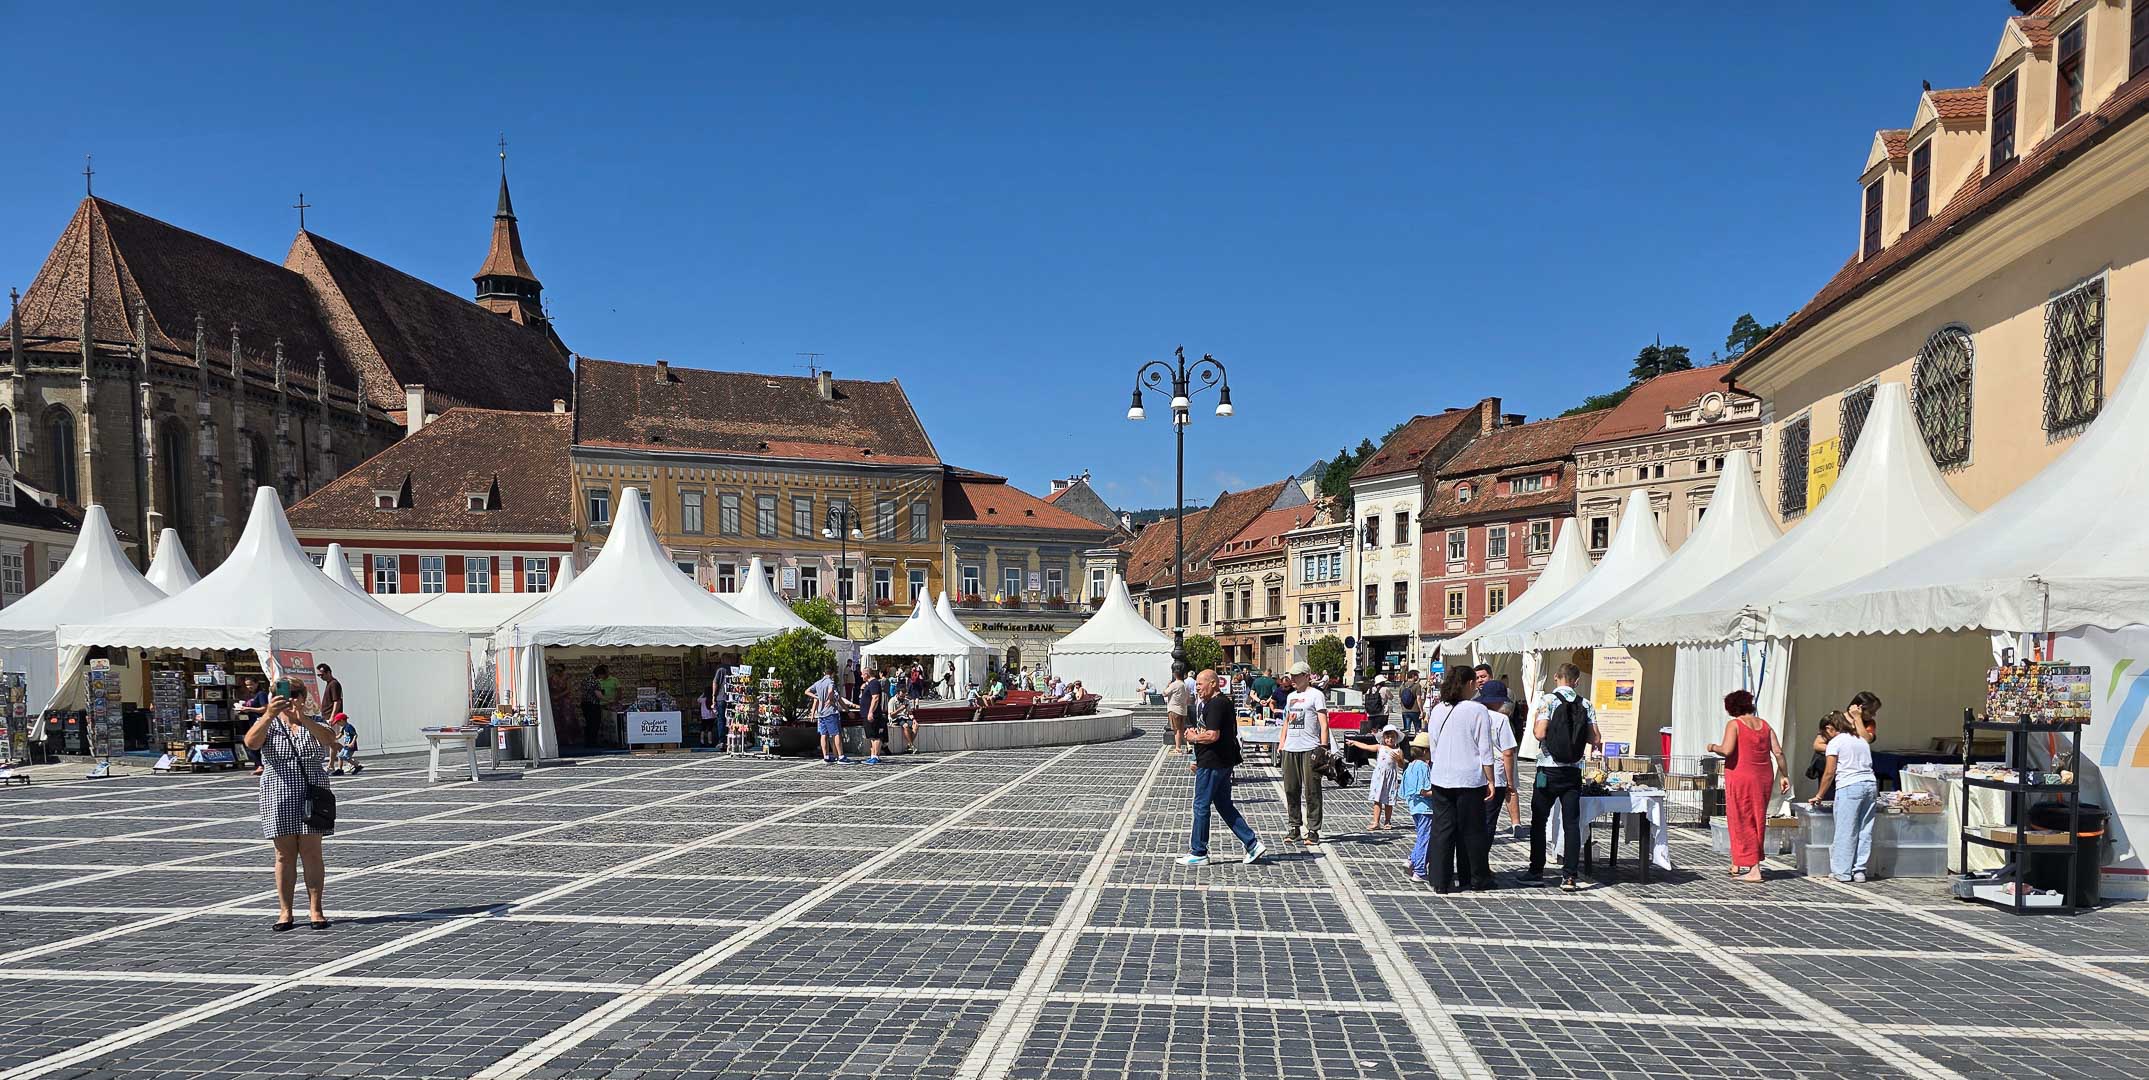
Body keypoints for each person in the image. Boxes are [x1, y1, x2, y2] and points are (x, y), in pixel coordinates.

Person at [242, 679, 339, 931]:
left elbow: (329, 739)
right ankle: (285, 911)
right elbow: (251, 743)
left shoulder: (314, 721)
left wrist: (302, 719)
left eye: (296, 694)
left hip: (312, 794)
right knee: (284, 855)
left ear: (304, 697)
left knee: (312, 852)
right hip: (278, 794)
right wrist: (268, 715)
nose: (290, 698)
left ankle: (316, 909)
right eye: (283, 694)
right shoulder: (269, 723)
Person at [1522, 662, 1602, 893]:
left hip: (1547, 770)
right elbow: (1595, 738)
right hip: (1572, 772)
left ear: (1556, 677)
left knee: (1539, 821)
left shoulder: (1547, 700)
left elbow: (1540, 733)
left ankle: (1536, 871)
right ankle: (1569, 876)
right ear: (1577, 681)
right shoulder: (1585, 704)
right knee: (1571, 824)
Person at [1423, 666, 1497, 894]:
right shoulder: (1478, 710)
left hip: (1442, 776)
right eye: (1474, 682)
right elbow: (1485, 749)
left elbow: (1433, 744)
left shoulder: (1438, 710)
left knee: (1442, 829)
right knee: (1472, 830)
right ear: (1468, 684)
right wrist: (1491, 780)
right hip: (1468, 778)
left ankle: (1440, 879)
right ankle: (1474, 877)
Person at [1180, 668, 1266, 866]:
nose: (1197, 688)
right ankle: (1252, 844)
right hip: (1220, 762)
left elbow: (1212, 735)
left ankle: (1199, 851)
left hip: (1213, 762)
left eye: (1200, 684)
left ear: (1213, 683)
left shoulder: (1216, 704)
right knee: (1224, 805)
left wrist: (1194, 738)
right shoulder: (1215, 703)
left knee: (1201, 805)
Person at [1709, 689, 1789, 883]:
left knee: (1741, 819)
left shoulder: (1735, 724)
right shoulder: (1765, 725)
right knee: (1757, 818)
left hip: (1741, 777)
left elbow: (1727, 750)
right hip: (1763, 777)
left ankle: (1754, 869)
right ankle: (1737, 862)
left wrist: (1713, 747)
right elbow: (1778, 752)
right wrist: (1784, 775)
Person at [1810, 699, 1879, 883]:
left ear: (1830, 728)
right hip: (1870, 784)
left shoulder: (1836, 742)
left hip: (1849, 786)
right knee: (1865, 829)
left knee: (1845, 829)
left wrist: (1819, 795)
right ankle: (1859, 870)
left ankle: (1842, 871)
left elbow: (1829, 772)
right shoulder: (1861, 739)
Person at [1279, 661, 1328, 847]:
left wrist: (1323, 747)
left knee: (1312, 790)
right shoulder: (1291, 696)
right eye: (1291, 676)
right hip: (1291, 747)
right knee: (1291, 789)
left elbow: (1323, 723)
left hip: (1310, 747)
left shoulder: (1316, 695)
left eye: (1297, 676)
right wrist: (1282, 743)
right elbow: (1287, 721)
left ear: (1307, 676)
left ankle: (1313, 829)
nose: (1292, 679)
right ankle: (1294, 826)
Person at [1345, 726, 1403, 831]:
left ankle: (1387, 821)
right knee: (1377, 799)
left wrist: (1399, 759)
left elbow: (1402, 765)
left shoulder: (1398, 750)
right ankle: (1376, 821)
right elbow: (1366, 746)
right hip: (1379, 777)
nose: (1390, 739)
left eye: (1392, 737)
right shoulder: (1380, 747)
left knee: (1389, 801)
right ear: (1384, 738)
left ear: (1396, 738)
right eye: (1387, 737)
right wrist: (1354, 742)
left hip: (1390, 778)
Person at [1399, 738, 1435, 882]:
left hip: (1414, 807)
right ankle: (1419, 870)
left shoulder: (1410, 766)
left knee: (1422, 835)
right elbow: (1425, 790)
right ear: (1425, 751)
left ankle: (1412, 860)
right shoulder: (1424, 767)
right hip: (1426, 808)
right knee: (1425, 838)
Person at [808, 663, 850, 765]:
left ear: (824, 673)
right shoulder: (830, 682)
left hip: (821, 713)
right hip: (830, 712)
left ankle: (826, 756)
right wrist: (830, 699)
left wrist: (817, 698)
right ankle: (841, 756)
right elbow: (832, 692)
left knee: (823, 735)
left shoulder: (818, 683)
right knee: (836, 734)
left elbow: (807, 691)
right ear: (833, 673)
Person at [235, 676, 270, 776]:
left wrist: (249, 709)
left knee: (255, 744)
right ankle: (260, 765)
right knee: (252, 743)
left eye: (251, 684)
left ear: (257, 683)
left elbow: (264, 709)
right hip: (251, 721)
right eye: (247, 685)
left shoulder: (261, 694)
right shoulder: (251, 695)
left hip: (259, 721)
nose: (249, 687)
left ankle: (261, 765)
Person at [858, 667, 890, 765]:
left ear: (867, 674)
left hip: (873, 714)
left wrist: (871, 712)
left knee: (875, 735)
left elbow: (875, 698)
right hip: (866, 713)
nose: (861, 676)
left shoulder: (874, 683)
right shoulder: (869, 684)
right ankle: (873, 756)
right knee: (871, 736)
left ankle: (876, 756)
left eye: (862, 674)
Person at [1163, 671, 1191, 754]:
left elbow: (1164, 693)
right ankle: (1188, 745)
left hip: (1174, 709)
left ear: (1175, 675)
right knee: (1181, 729)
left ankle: (1178, 748)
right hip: (1183, 710)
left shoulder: (1174, 684)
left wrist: (1167, 686)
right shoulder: (1185, 685)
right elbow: (1188, 699)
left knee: (1177, 730)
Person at [891, 684, 919, 754]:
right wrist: (900, 709)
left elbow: (910, 713)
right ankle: (912, 745)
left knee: (916, 725)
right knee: (905, 726)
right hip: (896, 718)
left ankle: (909, 745)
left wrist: (914, 720)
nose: (902, 698)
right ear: (897, 694)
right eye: (901, 696)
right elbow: (891, 715)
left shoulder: (906, 701)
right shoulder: (892, 701)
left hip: (905, 717)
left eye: (904, 696)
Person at [1397, 669, 1422, 734]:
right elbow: (1418, 698)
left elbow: (1399, 699)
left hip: (1405, 711)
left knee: (1406, 730)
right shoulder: (1417, 685)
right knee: (1418, 730)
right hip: (1415, 711)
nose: (1418, 677)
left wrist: (1403, 708)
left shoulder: (1402, 686)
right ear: (1413, 676)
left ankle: (1406, 740)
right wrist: (1421, 711)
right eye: (1417, 675)